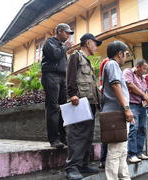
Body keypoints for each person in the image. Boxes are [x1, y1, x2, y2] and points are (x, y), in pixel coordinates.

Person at [65, 33, 102, 180]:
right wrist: (72, 94)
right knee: (77, 135)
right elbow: (71, 76)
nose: (96, 47)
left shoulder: (87, 61)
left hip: (91, 102)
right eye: (95, 43)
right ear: (88, 43)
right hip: (80, 101)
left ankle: (83, 165)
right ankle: (71, 167)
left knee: (87, 136)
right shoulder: (76, 56)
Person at [102, 41, 133, 180]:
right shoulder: (112, 64)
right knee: (115, 151)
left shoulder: (113, 66)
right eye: (125, 54)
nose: (126, 57)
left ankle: (124, 177)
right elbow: (115, 85)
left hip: (118, 113)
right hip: (116, 114)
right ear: (119, 54)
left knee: (121, 151)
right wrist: (126, 108)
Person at [41, 23, 74, 148]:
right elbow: (54, 55)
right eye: (67, 32)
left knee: (63, 108)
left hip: (61, 77)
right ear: (59, 31)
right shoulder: (50, 42)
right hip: (51, 76)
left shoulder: (61, 46)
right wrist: (65, 48)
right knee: (53, 107)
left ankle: (62, 138)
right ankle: (54, 139)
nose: (68, 36)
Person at [123, 60, 148, 163]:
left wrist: (146, 96)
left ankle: (139, 152)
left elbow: (145, 90)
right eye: (144, 68)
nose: (145, 71)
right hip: (132, 104)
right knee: (133, 128)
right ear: (137, 67)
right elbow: (130, 85)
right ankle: (132, 154)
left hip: (142, 106)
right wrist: (143, 95)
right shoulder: (128, 72)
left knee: (142, 128)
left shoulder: (142, 78)